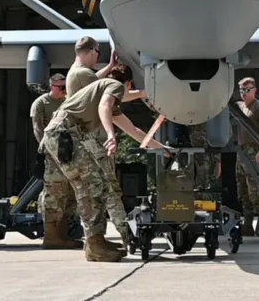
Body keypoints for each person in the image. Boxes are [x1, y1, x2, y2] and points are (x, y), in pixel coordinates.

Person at [40, 64, 166, 262]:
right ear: (128, 83)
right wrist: (110, 134)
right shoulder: (112, 86)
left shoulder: (105, 90)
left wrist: (161, 149)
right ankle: (95, 243)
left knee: (92, 186)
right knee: (93, 185)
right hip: (63, 135)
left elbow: (134, 131)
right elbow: (105, 106)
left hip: (60, 135)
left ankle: (94, 242)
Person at [64, 36, 147, 250]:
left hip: (78, 139)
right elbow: (109, 97)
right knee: (109, 190)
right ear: (92, 51)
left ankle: (97, 239)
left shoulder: (75, 73)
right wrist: (111, 133)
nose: (97, 59)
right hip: (93, 138)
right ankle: (126, 236)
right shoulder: (87, 77)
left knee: (94, 191)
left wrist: (110, 66)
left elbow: (96, 81)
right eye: (97, 55)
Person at [30, 73, 81, 249]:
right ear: (52, 87)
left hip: (69, 153)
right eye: (61, 88)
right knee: (54, 194)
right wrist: (45, 147)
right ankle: (51, 236)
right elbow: (37, 127)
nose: (64, 91)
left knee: (70, 195)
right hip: (52, 154)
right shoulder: (41, 103)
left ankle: (63, 235)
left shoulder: (68, 101)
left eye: (65, 87)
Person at [234, 77, 259, 237]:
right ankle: (248, 224)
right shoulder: (240, 107)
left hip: (254, 151)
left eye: (247, 90)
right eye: (242, 90)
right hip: (242, 152)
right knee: (242, 189)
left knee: (256, 189)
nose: (244, 93)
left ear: (254, 90)